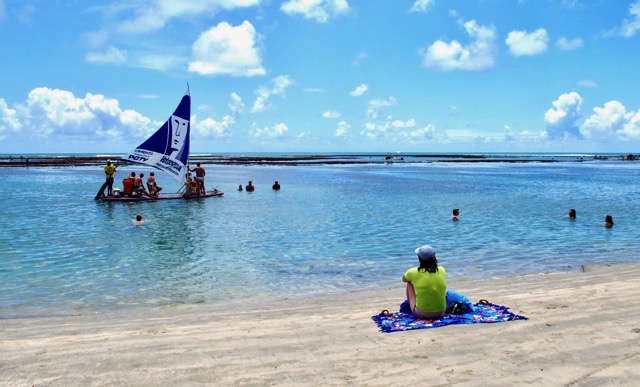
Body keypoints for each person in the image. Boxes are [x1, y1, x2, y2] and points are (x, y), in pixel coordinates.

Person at [402, 245, 447, 319]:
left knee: (409, 282)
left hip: (423, 314)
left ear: (419, 259)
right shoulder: (442, 270)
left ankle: (412, 306)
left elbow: (404, 279)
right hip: (442, 312)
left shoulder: (413, 272)